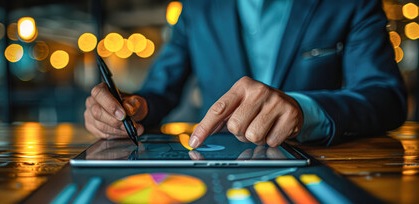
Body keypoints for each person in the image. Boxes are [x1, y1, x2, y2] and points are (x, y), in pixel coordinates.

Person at [84, 0, 407, 148]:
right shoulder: (195, 9)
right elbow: (160, 92)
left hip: (317, 158)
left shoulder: (352, 4)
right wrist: (130, 108)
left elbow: (385, 96)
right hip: (215, 162)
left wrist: (303, 110)